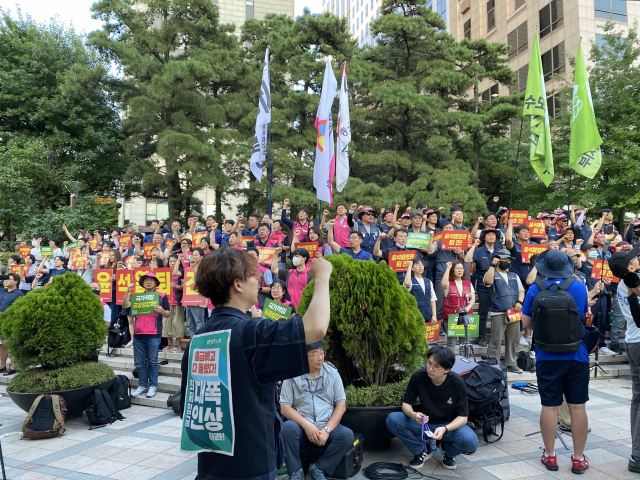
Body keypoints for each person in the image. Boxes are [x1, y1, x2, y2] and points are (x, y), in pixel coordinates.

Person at [179, 248, 332, 480]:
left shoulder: (198, 339)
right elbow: (316, 328)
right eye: (252, 276)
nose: (257, 280)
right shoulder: (250, 332)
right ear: (238, 284)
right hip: (251, 466)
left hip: (212, 464)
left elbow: (186, 408)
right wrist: (321, 278)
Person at [521, 250, 591, 474]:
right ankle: (578, 459)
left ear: (544, 268)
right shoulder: (579, 287)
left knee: (549, 406)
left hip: (546, 354)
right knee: (577, 406)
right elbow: (583, 315)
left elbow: (527, 324)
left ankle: (550, 455)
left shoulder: (535, 289)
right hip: (576, 354)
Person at [385, 346, 478, 469]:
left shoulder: (457, 383)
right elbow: (406, 404)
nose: (430, 369)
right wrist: (414, 415)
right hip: (424, 424)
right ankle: (422, 450)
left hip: (447, 427)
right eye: (429, 363)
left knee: (471, 441)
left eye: (436, 366)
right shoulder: (418, 376)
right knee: (393, 419)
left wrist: (445, 428)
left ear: (447, 369)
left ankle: (448, 452)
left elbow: (463, 418)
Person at [280, 340, 353, 480]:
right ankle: (295, 472)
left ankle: (319, 468)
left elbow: (341, 405)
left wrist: (327, 430)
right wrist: (306, 425)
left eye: (321, 352)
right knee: (287, 428)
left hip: (325, 425)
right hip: (302, 427)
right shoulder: (291, 376)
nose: (320, 358)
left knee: (347, 435)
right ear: (303, 356)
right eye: (315, 354)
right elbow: (285, 408)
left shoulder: (332, 374)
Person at [608, 247, 640, 473]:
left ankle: (636, 452)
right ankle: (637, 456)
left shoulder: (623, 283)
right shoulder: (634, 283)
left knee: (637, 399)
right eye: (635, 258)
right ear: (630, 267)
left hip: (632, 341)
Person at [123, 272, 170, 398]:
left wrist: (162, 311)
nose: (148, 282)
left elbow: (168, 314)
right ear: (142, 283)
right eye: (146, 280)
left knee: (153, 362)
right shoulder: (137, 298)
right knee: (139, 363)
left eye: (151, 280)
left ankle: (153, 386)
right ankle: (142, 385)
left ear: (155, 283)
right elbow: (125, 305)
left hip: (154, 334)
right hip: (138, 335)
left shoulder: (162, 296)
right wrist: (127, 291)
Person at [483, 249, 525, 373]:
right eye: (503, 260)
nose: (506, 262)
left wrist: (520, 302)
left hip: (514, 312)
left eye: (508, 260)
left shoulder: (514, 275)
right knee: (496, 338)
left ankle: (511, 363)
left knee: (514, 339)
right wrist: (492, 265)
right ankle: (492, 362)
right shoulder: (492, 273)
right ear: (497, 260)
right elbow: (487, 281)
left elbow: (521, 291)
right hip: (498, 311)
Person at [464, 230, 502, 346]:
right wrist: (474, 245)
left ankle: (497, 338)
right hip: (483, 287)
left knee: (499, 314)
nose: (491, 236)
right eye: (489, 235)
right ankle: (481, 337)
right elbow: (467, 260)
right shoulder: (479, 251)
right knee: (483, 313)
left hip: (498, 287)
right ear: (484, 237)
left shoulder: (500, 251)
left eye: (493, 235)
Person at [426, 223, 465, 322]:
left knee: (455, 302)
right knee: (439, 303)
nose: (448, 229)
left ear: (454, 230)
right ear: (442, 231)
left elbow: (464, 259)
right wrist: (431, 239)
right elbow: (430, 252)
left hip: (456, 277)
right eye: (446, 228)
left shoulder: (459, 242)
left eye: (450, 228)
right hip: (441, 275)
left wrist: (460, 253)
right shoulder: (438, 242)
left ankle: (453, 323)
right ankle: (439, 327)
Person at [441, 261, 474, 350]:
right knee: (451, 342)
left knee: (465, 342)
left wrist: (466, 309)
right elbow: (443, 284)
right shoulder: (448, 283)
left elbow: (472, 299)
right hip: (451, 317)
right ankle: (449, 363)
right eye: (457, 268)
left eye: (461, 268)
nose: (460, 270)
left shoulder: (468, 283)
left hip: (466, 316)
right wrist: (448, 268)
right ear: (453, 270)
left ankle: (465, 362)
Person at [0, 273, 24, 376]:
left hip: (11, 322)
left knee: (11, 345)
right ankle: (2, 366)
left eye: (9, 279)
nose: (6, 281)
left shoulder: (19, 294)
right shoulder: (2, 291)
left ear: (16, 282)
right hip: (1, 322)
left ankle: (13, 367)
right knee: (2, 345)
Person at [404, 259, 437, 325]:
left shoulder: (428, 281)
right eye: (417, 264)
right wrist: (409, 266)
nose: (421, 266)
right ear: (412, 268)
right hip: (415, 316)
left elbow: (432, 299)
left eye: (422, 264)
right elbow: (407, 284)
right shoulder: (410, 281)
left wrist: (434, 315)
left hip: (428, 316)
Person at [163, 255, 184, 352]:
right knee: (167, 322)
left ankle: (178, 345)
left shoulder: (181, 273)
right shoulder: (164, 273)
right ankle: (170, 344)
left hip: (178, 300)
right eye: (170, 261)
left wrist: (176, 286)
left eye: (174, 261)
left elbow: (187, 287)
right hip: (167, 301)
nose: (172, 263)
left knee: (177, 322)